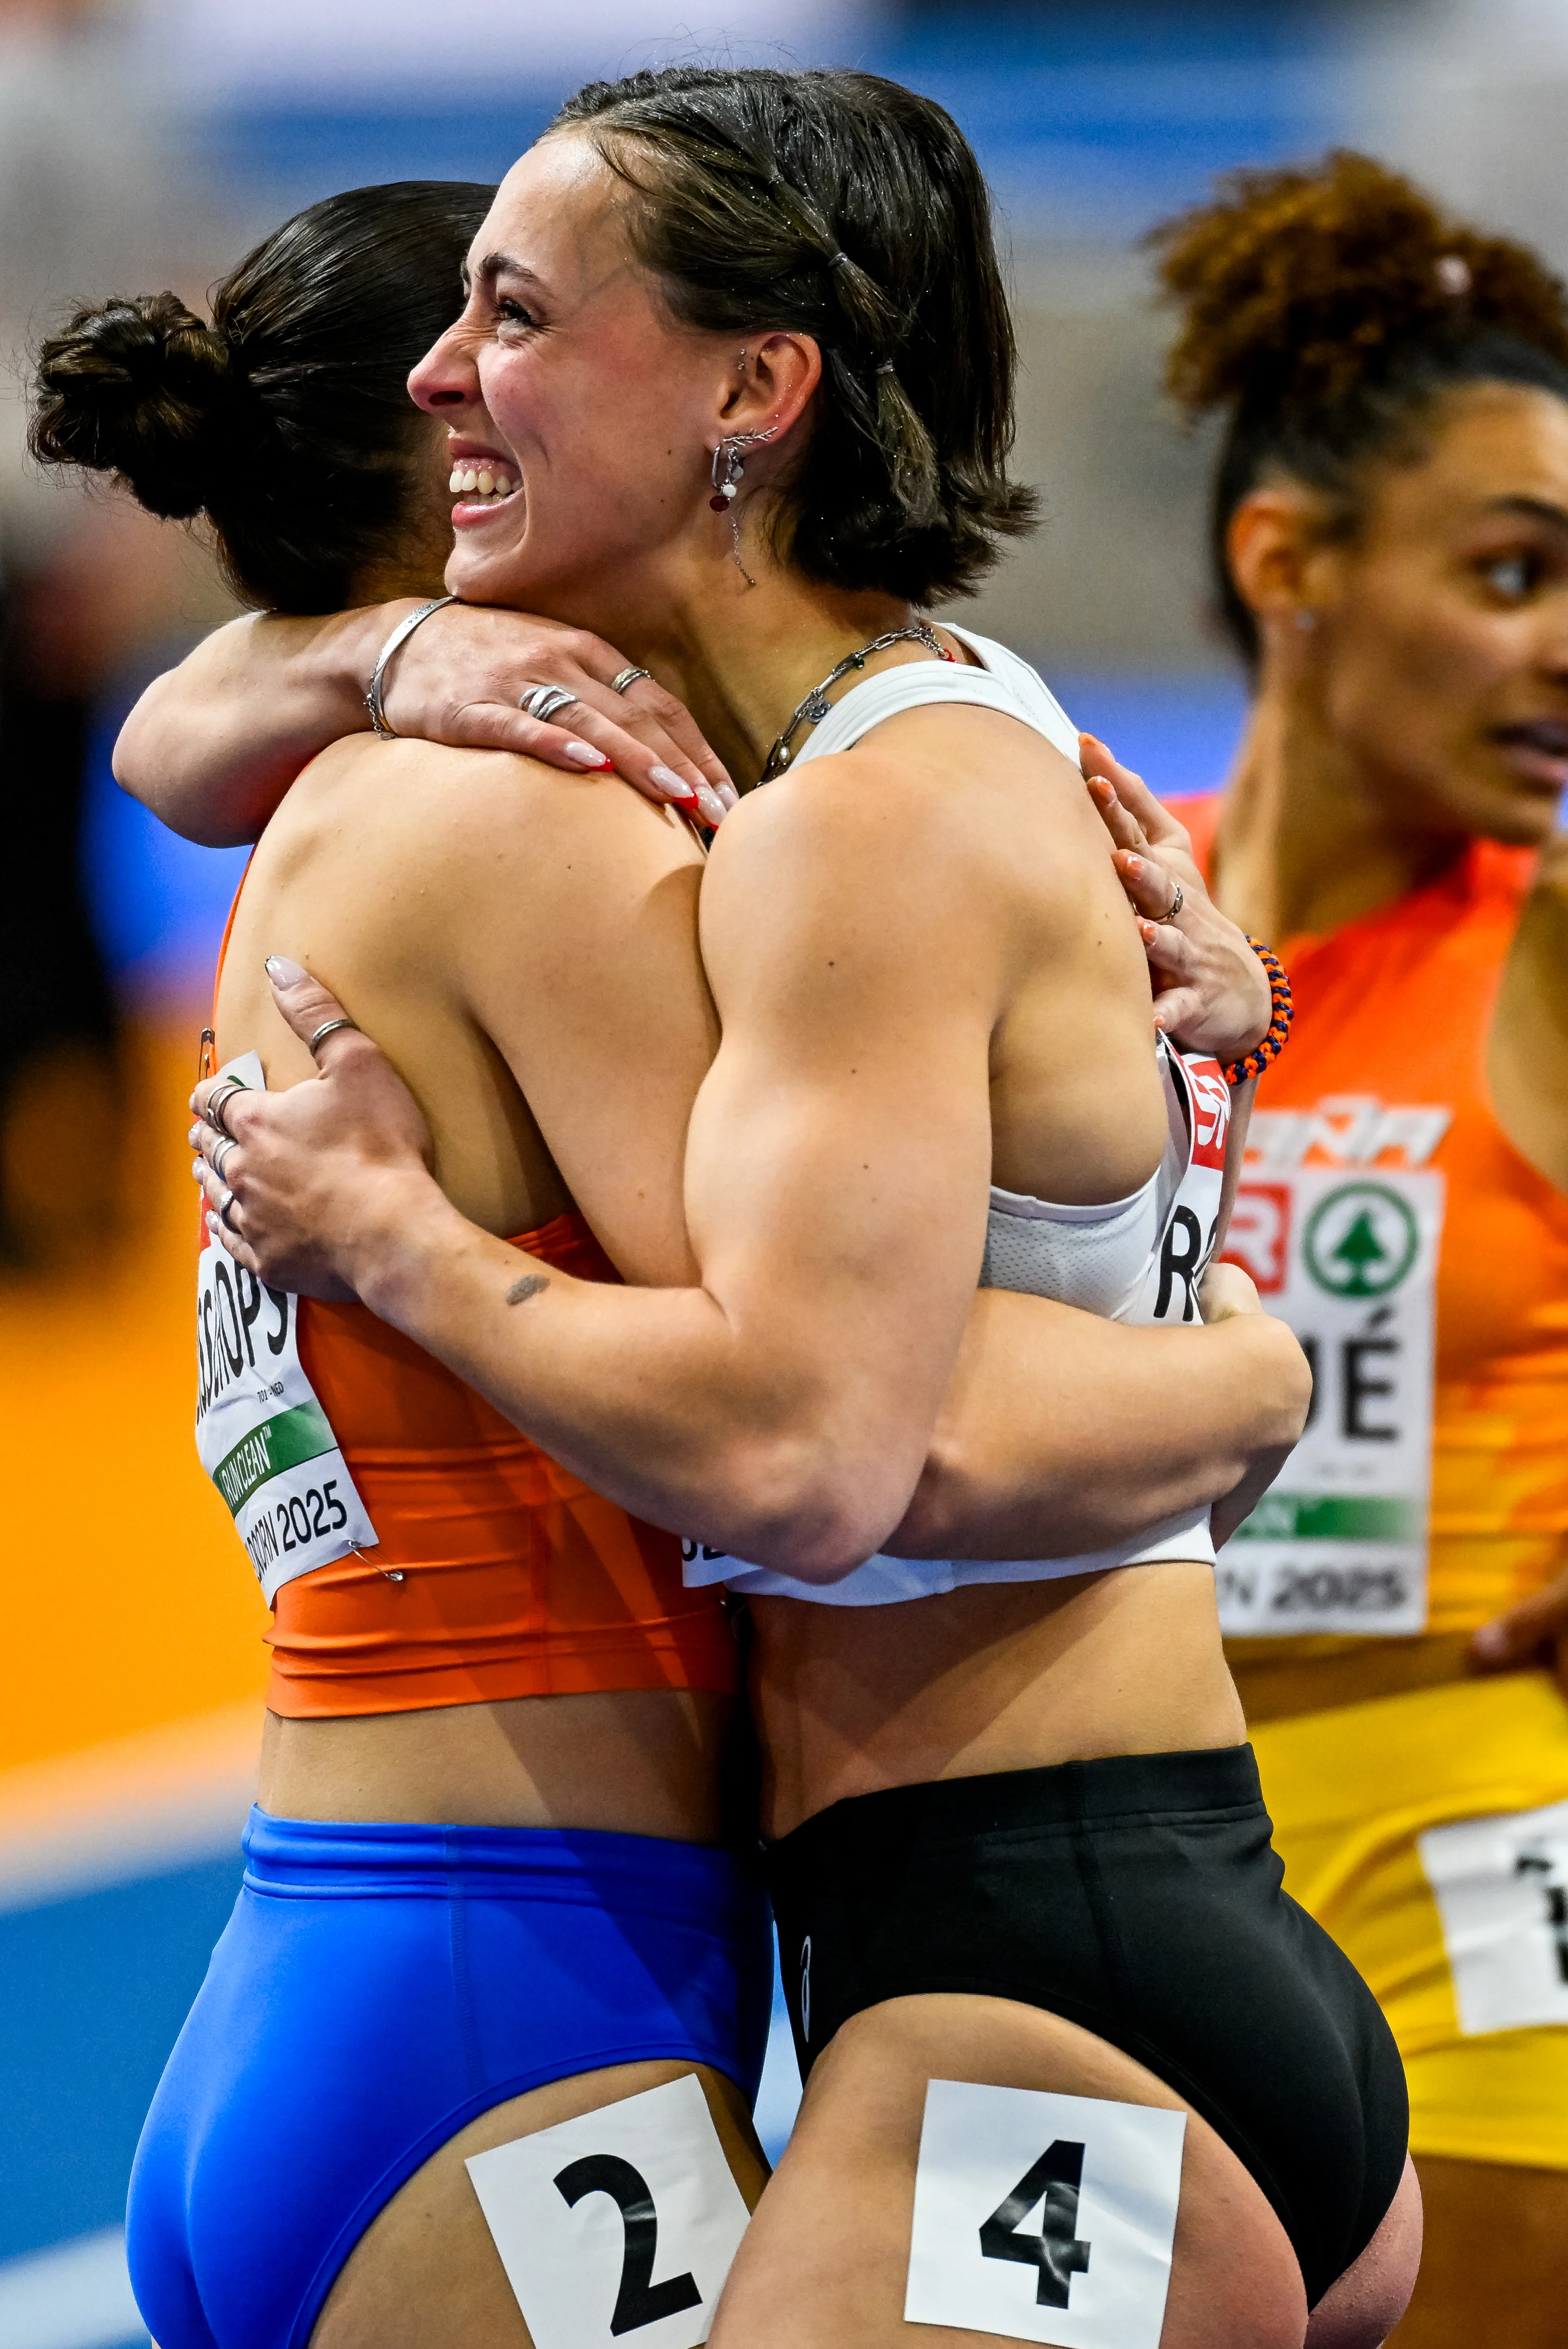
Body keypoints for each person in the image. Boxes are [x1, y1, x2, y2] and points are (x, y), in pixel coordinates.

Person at [167, 68, 1414, 2349]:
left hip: (1019, 1967)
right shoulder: (901, 755)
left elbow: (812, 1457)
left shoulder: (845, 830)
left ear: (756, 392)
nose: (456, 371)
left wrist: (406, 1244)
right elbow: (187, 730)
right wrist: (1238, 1356)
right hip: (1007, 1930)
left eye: (522, 315)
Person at [32, 182, 782, 2349]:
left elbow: (170, 724)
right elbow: (792, 1417)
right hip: (521, 2020)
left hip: (367, 1957)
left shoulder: (319, 796)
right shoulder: (520, 818)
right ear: (467, 446)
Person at [1131, 151, 1568, 2349]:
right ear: (1285, 562)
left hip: (1477, 1845)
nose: (1567, 645)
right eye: (1512, 572)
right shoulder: (1080, 893)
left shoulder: (1553, 940)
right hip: (1113, 1858)